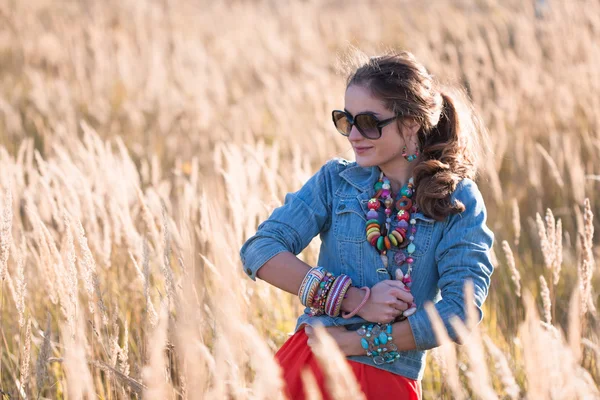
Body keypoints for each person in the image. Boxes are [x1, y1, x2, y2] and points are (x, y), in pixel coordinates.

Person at [239, 50, 495, 400]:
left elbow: (460, 310)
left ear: (411, 124)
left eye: (370, 122)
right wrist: (353, 298)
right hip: (309, 369)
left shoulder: (456, 199)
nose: (354, 135)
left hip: (385, 382)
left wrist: (358, 341)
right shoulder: (336, 181)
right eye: (346, 120)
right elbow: (260, 250)